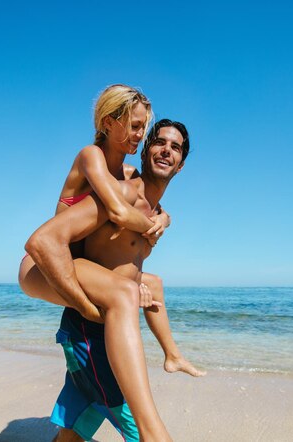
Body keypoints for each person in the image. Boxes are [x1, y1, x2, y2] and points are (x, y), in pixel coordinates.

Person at [19, 85, 203, 371]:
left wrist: (165, 219)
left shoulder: (128, 174)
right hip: (47, 263)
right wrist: (150, 229)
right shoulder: (91, 156)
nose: (141, 135)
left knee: (152, 284)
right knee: (119, 300)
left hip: (82, 265)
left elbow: (147, 203)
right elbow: (119, 211)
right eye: (135, 126)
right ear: (109, 123)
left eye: (143, 128)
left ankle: (173, 355)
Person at [27, 120, 190, 441]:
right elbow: (45, 241)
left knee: (75, 429)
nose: (166, 150)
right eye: (159, 142)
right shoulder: (119, 193)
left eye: (175, 147)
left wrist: (164, 219)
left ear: (181, 165)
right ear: (144, 151)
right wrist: (91, 305)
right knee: (146, 430)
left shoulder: (155, 210)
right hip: (89, 328)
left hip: (103, 332)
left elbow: (123, 267)